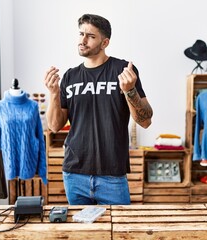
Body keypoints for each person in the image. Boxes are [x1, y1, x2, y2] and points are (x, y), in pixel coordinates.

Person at [43, 13, 153, 205]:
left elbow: (145, 120)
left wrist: (130, 91)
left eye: (90, 36)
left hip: (112, 175)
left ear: (105, 42)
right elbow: (54, 126)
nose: (82, 41)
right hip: (74, 174)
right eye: (81, 34)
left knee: (118, 233)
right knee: (83, 234)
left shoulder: (123, 71)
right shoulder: (70, 76)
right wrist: (53, 93)